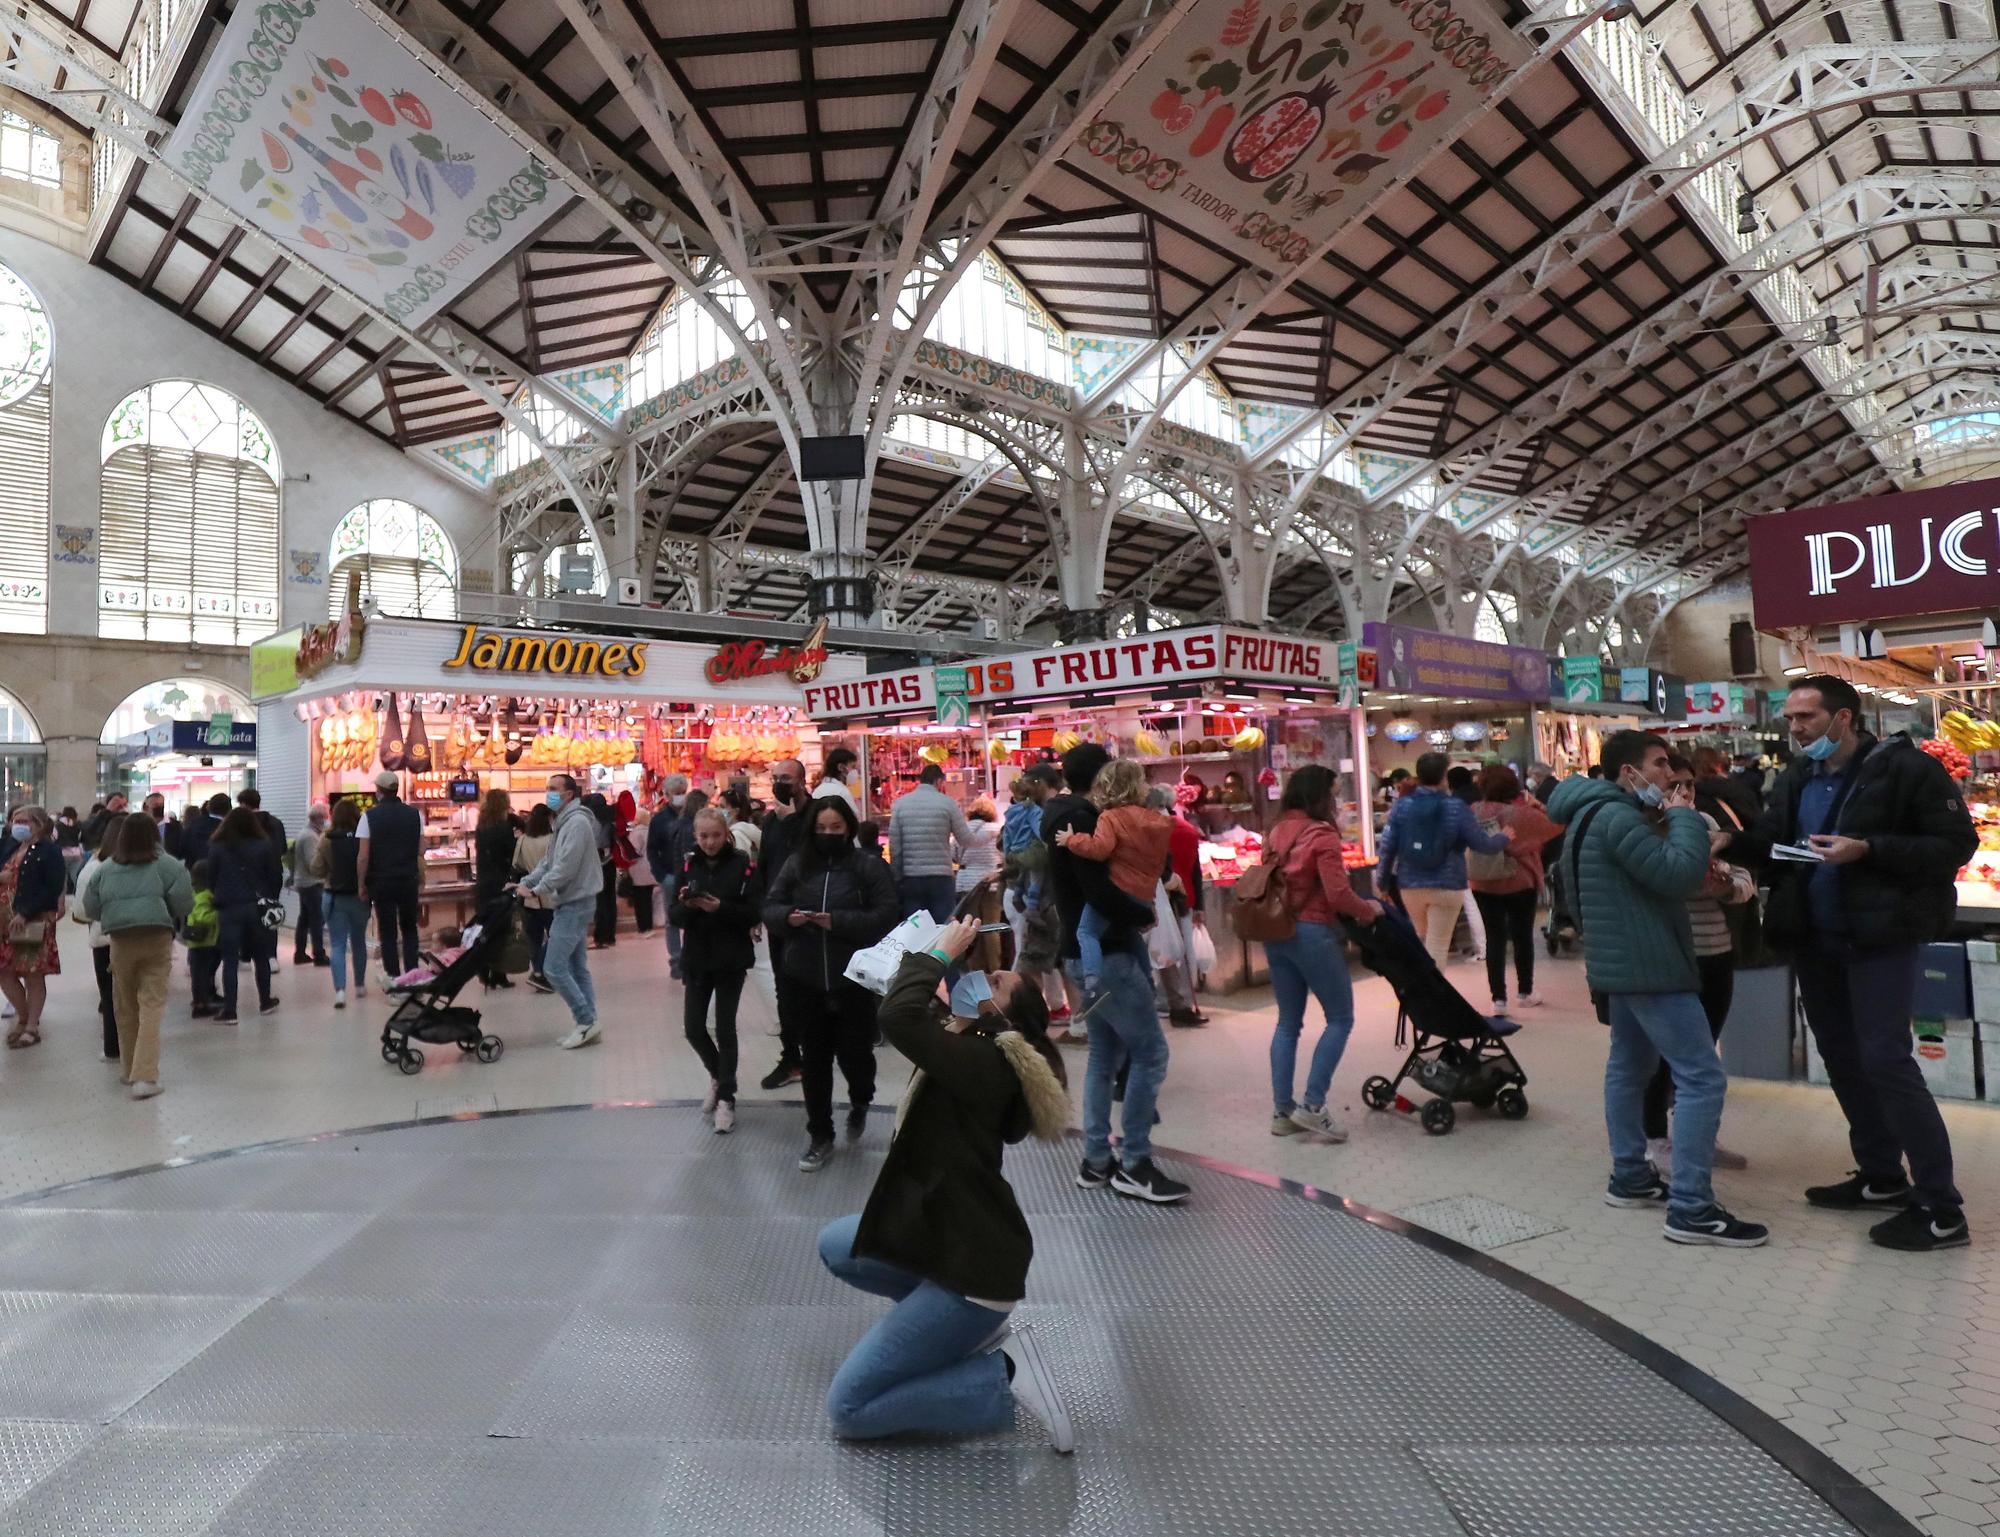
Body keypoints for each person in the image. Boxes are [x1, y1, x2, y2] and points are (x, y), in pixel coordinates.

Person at [1733, 674, 1975, 1251]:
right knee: (1842, 1057)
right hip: (1817, 939)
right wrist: (1726, 841)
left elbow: (1955, 843)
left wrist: (1869, 850)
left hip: (1879, 938)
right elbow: (1773, 838)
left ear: (1843, 719)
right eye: (1790, 719)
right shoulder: (1800, 776)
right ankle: (1882, 1175)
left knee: (1886, 1060)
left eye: (1806, 719)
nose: (1794, 730)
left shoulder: (1907, 770)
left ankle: (1941, 1208)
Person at [816, 915, 1074, 1451]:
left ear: (1004, 1014)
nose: (988, 978)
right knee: (838, 1244)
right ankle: (937, 1334)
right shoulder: (975, 1043)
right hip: (956, 1238)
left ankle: (1000, 1376)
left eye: (998, 981)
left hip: (974, 1276)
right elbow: (913, 1013)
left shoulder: (986, 1062)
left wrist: (936, 954)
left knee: (850, 1408)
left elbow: (899, 1019)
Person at [1548, 731, 1766, 1248]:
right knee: (1701, 1078)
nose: (1669, 774)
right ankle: (1692, 1208)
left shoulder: (1587, 815)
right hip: (1648, 963)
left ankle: (1630, 1175)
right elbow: (1676, 874)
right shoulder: (1618, 816)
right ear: (1630, 772)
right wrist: (1686, 817)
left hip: (1620, 959)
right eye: (1660, 763)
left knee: (1629, 1066)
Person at [1045, 744, 1186, 1205]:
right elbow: (1099, 892)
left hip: (1081, 952)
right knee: (1150, 1054)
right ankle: (1135, 1163)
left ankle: (1096, 1159)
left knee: (1104, 1056)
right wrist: (1140, 913)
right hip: (1111, 954)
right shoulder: (1087, 820)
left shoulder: (1064, 817)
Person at [763, 793, 898, 1173]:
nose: (828, 834)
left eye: (836, 828)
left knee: (856, 1056)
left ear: (849, 829)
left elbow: (887, 914)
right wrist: (788, 917)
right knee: (816, 1060)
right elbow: (770, 905)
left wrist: (837, 921)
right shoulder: (796, 865)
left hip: (852, 979)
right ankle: (819, 1134)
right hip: (804, 978)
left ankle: (860, 1100)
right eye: (821, 828)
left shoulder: (867, 867)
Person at [1645, 753, 1755, 1173]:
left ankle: (1699, 1137)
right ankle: (1655, 1140)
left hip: (1717, 952)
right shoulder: (1645, 832)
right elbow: (1659, 883)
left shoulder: (1707, 827)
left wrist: (1725, 884)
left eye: (1689, 786)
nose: (1684, 794)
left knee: (1704, 1054)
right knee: (1659, 1058)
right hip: (1671, 958)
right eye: (1674, 786)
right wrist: (1692, 879)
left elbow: (1745, 881)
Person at [1265, 765, 1385, 1140]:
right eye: (1332, 792)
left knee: (1287, 1023)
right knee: (1339, 1018)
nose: (1335, 799)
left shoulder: (1276, 830)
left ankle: (1282, 1112)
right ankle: (1313, 1106)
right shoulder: (1322, 834)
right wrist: (1370, 910)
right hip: (1313, 932)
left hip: (1276, 930)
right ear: (1320, 795)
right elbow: (1337, 894)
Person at [84, 812, 193, 1100]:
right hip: (156, 938)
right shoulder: (168, 866)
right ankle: (145, 1077)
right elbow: (185, 903)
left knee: (125, 1006)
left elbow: (90, 909)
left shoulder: (105, 869)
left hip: (119, 941)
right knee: (151, 1005)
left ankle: (128, 1068)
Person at [671, 806, 764, 1134]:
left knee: (725, 1027)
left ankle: (727, 1097)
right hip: (697, 956)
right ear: (695, 836)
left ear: (726, 834)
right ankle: (718, 1075)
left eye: (715, 835)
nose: (709, 842)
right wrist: (687, 905)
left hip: (730, 957)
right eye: (703, 836)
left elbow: (753, 910)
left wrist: (720, 908)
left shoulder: (742, 866)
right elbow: (674, 915)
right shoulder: (688, 864)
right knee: (693, 1027)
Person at [1375, 751, 1513, 970]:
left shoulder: (1402, 806)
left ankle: (1417, 994)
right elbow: (1481, 844)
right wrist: (1503, 838)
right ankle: (1433, 999)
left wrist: (1382, 883)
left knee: (1422, 938)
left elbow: (1388, 846)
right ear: (1443, 777)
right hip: (1448, 882)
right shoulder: (1456, 807)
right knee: (1437, 945)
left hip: (1410, 884)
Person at [1052, 758, 1171, 992]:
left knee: (1086, 932)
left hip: (1121, 887)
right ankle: (1148, 981)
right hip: (1145, 891)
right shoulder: (1152, 818)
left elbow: (1099, 849)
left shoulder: (1110, 817)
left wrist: (1071, 840)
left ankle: (1092, 978)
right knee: (1133, 935)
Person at [513, 773, 604, 1049]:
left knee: (552, 968)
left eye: (553, 789)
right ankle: (589, 1023)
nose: (548, 794)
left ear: (569, 795)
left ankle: (585, 1020)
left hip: (575, 902)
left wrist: (537, 890)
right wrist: (525, 882)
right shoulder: (563, 823)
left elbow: (565, 868)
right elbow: (548, 861)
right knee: (577, 967)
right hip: (570, 900)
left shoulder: (576, 824)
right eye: (547, 789)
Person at [1466, 765, 1560, 1015]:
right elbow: (1555, 825)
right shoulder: (1521, 815)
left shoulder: (1473, 811)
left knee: (1494, 939)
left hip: (1482, 881)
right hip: (1519, 880)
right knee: (1522, 937)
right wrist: (1538, 806)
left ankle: (1498, 999)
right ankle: (1525, 992)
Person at [1000, 765, 1068, 1023]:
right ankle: (1020, 1009)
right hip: (1035, 894)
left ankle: (1052, 1005)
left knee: (1038, 952)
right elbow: (1044, 839)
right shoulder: (1036, 814)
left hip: (1016, 885)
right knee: (1028, 954)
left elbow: (1005, 847)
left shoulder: (1011, 814)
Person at [758, 761, 810, 1088]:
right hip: (779, 916)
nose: (779, 784)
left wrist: (790, 820)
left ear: (802, 782)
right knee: (784, 989)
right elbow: (765, 865)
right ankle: (792, 1057)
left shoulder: (818, 815)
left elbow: (808, 858)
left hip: (809, 917)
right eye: (775, 779)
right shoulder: (770, 820)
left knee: (811, 988)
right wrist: (760, 911)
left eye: (786, 779)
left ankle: (815, 1054)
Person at [208, 805, 281, 1023]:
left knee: (229, 960)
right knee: (261, 956)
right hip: (257, 908)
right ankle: (265, 1001)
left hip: (229, 908)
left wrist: (220, 893)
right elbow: (274, 875)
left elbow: (211, 877)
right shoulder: (264, 845)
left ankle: (230, 1010)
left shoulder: (218, 847)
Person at [0, 805, 66, 1047]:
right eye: (15, 820)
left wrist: (26, 913)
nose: (18, 825)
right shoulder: (8, 846)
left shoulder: (48, 851)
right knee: (4, 971)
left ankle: (30, 1025)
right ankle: (24, 1015)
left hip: (32, 919)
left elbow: (52, 886)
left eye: (24, 821)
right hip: (4, 921)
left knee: (32, 972)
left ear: (39, 824)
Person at [1150, 786, 1207, 1028]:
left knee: (1164, 954)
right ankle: (1180, 1004)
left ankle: (1169, 1002)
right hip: (1181, 898)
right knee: (1178, 954)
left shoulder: (1152, 829)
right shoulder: (1186, 830)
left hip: (1162, 897)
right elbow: (1195, 870)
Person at [357, 770, 423, 979]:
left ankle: (394, 978)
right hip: (408, 880)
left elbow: (363, 857)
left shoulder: (369, 817)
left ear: (379, 791)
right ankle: (412, 976)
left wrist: (361, 884)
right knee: (409, 929)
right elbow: (422, 849)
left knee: (388, 933)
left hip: (381, 882)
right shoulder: (415, 814)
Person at [889, 764, 973, 925]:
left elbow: (895, 846)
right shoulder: (948, 803)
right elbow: (965, 839)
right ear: (940, 781)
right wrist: (988, 837)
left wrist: (897, 876)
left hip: (911, 877)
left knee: (914, 928)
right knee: (943, 927)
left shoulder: (900, 804)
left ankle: (916, 951)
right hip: (941, 876)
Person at [72, 812, 126, 1060]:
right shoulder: (156, 863)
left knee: (109, 995)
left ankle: (112, 1047)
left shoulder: (94, 867)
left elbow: (82, 909)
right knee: (141, 995)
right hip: (144, 935)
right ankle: (140, 1045)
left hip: (105, 938)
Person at [314, 799, 368, 1008]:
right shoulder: (363, 838)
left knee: (337, 944)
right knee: (359, 941)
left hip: (334, 897)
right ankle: (361, 985)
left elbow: (316, 869)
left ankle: (340, 991)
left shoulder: (326, 839)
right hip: (359, 896)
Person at [647, 775, 697, 981]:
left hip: (693, 875)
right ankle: (676, 960)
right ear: (666, 795)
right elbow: (652, 850)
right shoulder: (659, 820)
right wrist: (661, 875)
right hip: (670, 875)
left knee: (694, 916)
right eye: (676, 794)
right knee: (672, 919)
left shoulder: (695, 816)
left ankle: (692, 957)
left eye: (682, 793)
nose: (679, 797)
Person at [474, 788, 519, 988]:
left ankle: (483, 970)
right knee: (502, 931)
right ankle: (499, 974)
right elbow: (511, 854)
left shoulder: (481, 827)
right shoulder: (503, 828)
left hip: (483, 883)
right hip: (501, 883)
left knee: (485, 929)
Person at [955, 795, 1003, 968]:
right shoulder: (998, 830)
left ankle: (975, 969)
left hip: (967, 884)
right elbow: (1004, 855)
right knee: (992, 928)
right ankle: (995, 968)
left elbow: (954, 855)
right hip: (992, 882)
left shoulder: (963, 831)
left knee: (971, 928)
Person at [512, 802, 556, 991]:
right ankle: (543, 972)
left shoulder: (523, 840)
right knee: (555, 936)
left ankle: (537, 971)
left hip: (529, 896)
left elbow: (517, 864)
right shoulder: (553, 840)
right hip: (551, 894)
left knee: (533, 938)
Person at [288, 803, 330, 967]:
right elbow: (313, 863)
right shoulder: (310, 837)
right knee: (316, 919)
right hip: (311, 883)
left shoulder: (307, 834)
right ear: (319, 818)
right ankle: (319, 954)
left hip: (304, 882)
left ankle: (300, 953)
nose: (327, 821)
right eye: (325, 817)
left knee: (304, 919)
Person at [1691, 746, 1760, 832]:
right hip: (1737, 837)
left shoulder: (1691, 793)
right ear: (1717, 763)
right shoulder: (1732, 787)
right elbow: (1752, 816)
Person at [184, 862, 221, 1019]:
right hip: (203, 942)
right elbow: (202, 918)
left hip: (195, 943)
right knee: (201, 975)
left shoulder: (192, 893)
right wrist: (218, 913)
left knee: (199, 975)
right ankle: (201, 1005)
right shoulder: (204, 896)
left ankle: (201, 1001)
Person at [582, 792, 619, 949]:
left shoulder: (591, 820)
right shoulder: (611, 818)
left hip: (596, 861)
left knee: (599, 900)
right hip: (610, 861)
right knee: (610, 900)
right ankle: (610, 935)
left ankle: (600, 936)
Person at [180, 793, 228, 870]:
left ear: (209, 808)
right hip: (220, 874)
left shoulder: (193, 825)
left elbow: (182, 850)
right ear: (229, 810)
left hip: (194, 872)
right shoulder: (230, 828)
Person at [817, 746, 862, 814]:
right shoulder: (841, 792)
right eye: (852, 767)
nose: (855, 771)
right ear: (841, 767)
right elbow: (854, 818)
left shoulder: (818, 790)